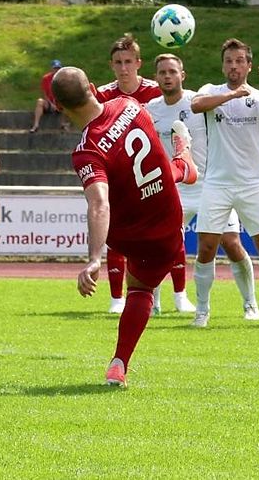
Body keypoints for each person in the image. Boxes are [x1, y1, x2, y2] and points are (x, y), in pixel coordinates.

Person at [55, 66, 194, 387]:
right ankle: (183, 164)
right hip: (169, 221)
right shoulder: (129, 105)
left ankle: (119, 364)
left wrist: (94, 259)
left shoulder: (87, 151)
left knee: (139, 289)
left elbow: (99, 203)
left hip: (131, 236)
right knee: (142, 287)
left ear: (60, 107)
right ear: (92, 87)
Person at [189, 38, 259, 328]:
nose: (234, 66)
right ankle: (202, 310)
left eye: (240, 61)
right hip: (217, 184)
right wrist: (231, 96)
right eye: (229, 61)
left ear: (249, 66)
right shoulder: (211, 91)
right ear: (223, 66)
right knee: (206, 248)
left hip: (251, 184)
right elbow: (196, 105)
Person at [144, 53, 258, 315]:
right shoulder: (151, 109)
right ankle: (152, 302)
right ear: (156, 78)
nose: (167, 76)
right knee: (157, 244)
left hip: (210, 185)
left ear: (182, 75)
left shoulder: (198, 102)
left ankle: (250, 303)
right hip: (174, 189)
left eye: (172, 72)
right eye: (162, 72)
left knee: (230, 243)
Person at [93, 34, 164, 314]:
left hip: (150, 172)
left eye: (128, 62)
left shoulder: (156, 92)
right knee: (117, 233)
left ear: (138, 63)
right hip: (118, 174)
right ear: (111, 65)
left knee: (157, 235)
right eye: (118, 62)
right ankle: (116, 298)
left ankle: (171, 295)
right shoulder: (103, 95)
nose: (123, 68)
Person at [29, 59, 67, 133]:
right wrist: (51, 104)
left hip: (59, 102)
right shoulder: (46, 78)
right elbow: (44, 93)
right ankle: (36, 125)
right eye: (55, 68)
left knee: (67, 102)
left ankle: (63, 123)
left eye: (58, 68)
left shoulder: (63, 79)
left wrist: (57, 103)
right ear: (51, 68)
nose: (56, 70)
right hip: (49, 103)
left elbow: (64, 93)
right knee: (40, 101)